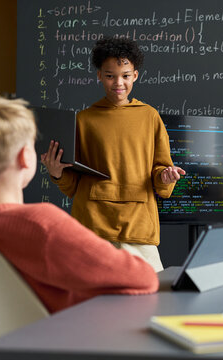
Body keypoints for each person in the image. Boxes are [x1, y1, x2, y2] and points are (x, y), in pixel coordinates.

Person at [0, 95, 159, 314]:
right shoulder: (42, 225)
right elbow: (144, 277)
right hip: (84, 336)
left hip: (31, 338)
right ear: (25, 157)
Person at [41, 37, 185, 272]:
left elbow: (161, 176)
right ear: (99, 75)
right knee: (94, 301)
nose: (118, 83)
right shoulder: (83, 120)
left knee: (151, 297)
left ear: (135, 76)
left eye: (125, 75)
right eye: (110, 76)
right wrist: (57, 174)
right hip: (92, 226)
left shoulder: (150, 117)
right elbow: (72, 184)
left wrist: (166, 178)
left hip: (138, 226)